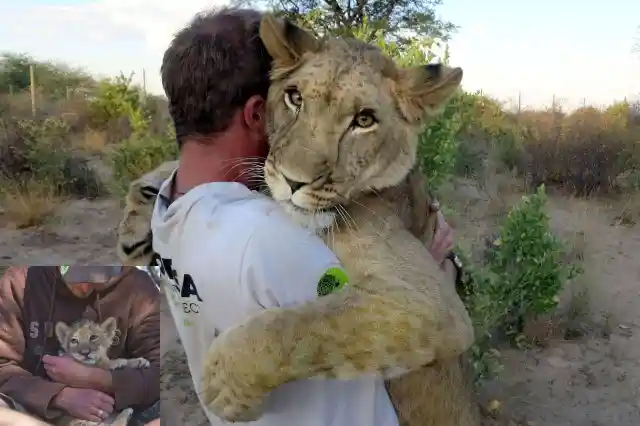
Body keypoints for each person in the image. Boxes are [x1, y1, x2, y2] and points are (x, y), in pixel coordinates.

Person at [153, 7, 459, 426]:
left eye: (363, 119)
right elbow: (430, 312)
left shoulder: (166, 203)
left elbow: (435, 318)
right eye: (295, 99)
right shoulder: (267, 239)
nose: (300, 169)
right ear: (257, 110)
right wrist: (433, 266)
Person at [0, 266, 160, 426]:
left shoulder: (137, 286)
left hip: (119, 412)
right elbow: (3, 366)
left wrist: (97, 379)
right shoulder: (21, 281)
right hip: (32, 410)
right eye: (73, 274)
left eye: (97, 275)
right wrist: (59, 396)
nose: (84, 286)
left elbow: (164, 371)